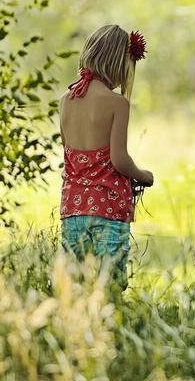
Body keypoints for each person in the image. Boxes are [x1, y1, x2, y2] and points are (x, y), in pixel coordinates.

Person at [58, 24, 154, 289]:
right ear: (119, 64)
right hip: (107, 208)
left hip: (72, 209)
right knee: (109, 284)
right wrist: (144, 176)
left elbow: (69, 154)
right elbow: (119, 159)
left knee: (75, 285)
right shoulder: (117, 104)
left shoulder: (66, 100)